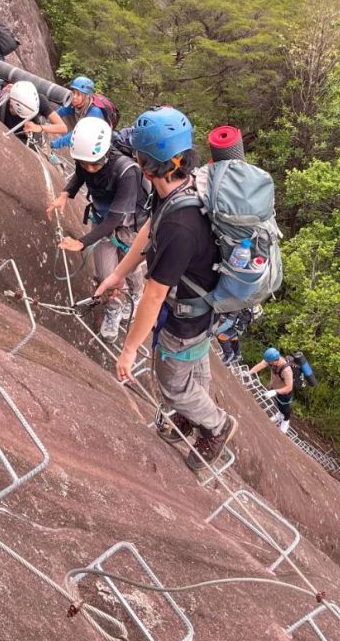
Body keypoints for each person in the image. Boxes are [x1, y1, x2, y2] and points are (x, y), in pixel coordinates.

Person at [95, 106, 238, 475]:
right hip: (204, 305)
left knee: (173, 383)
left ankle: (216, 425)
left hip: (187, 315)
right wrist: (117, 275)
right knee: (192, 366)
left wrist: (128, 350)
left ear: (146, 164)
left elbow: (154, 294)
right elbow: (149, 229)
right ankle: (191, 418)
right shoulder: (180, 186)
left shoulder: (182, 223)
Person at [46, 117, 148, 339]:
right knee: (105, 274)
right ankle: (114, 309)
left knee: (128, 265)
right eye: (85, 163)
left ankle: (137, 293)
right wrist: (65, 193)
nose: (90, 169)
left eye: (95, 164)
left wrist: (82, 242)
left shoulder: (126, 171)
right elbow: (80, 175)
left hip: (129, 225)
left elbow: (115, 219)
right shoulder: (87, 160)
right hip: (102, 217)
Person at [29, 76, 104, 149]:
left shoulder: (94, 112)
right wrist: (42, 122)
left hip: (96, 139)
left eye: (78, 94)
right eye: (73, 92)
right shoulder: (76, 103)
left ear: (87, 96)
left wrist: (53, 145)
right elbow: (58, 113)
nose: (74, 97)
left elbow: (77, 135)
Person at [0, 80, 65, 144]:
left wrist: (39, 128)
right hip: (3, 118)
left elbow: (62, 128)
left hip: (26, 132)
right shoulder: (0, 107)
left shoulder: (40, 101)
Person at [249, 347, 294, 433]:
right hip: (276, 388)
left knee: (285, 407)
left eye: (269, 362)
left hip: (285, 392)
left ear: (275, 361)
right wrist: (249, 372)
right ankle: (280, 415)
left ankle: (286, 421)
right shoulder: (272, 361)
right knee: (278, 403)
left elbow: (289, 387)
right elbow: (261, 365)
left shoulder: (286, 370)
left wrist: (275, 392)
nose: (268, 364)